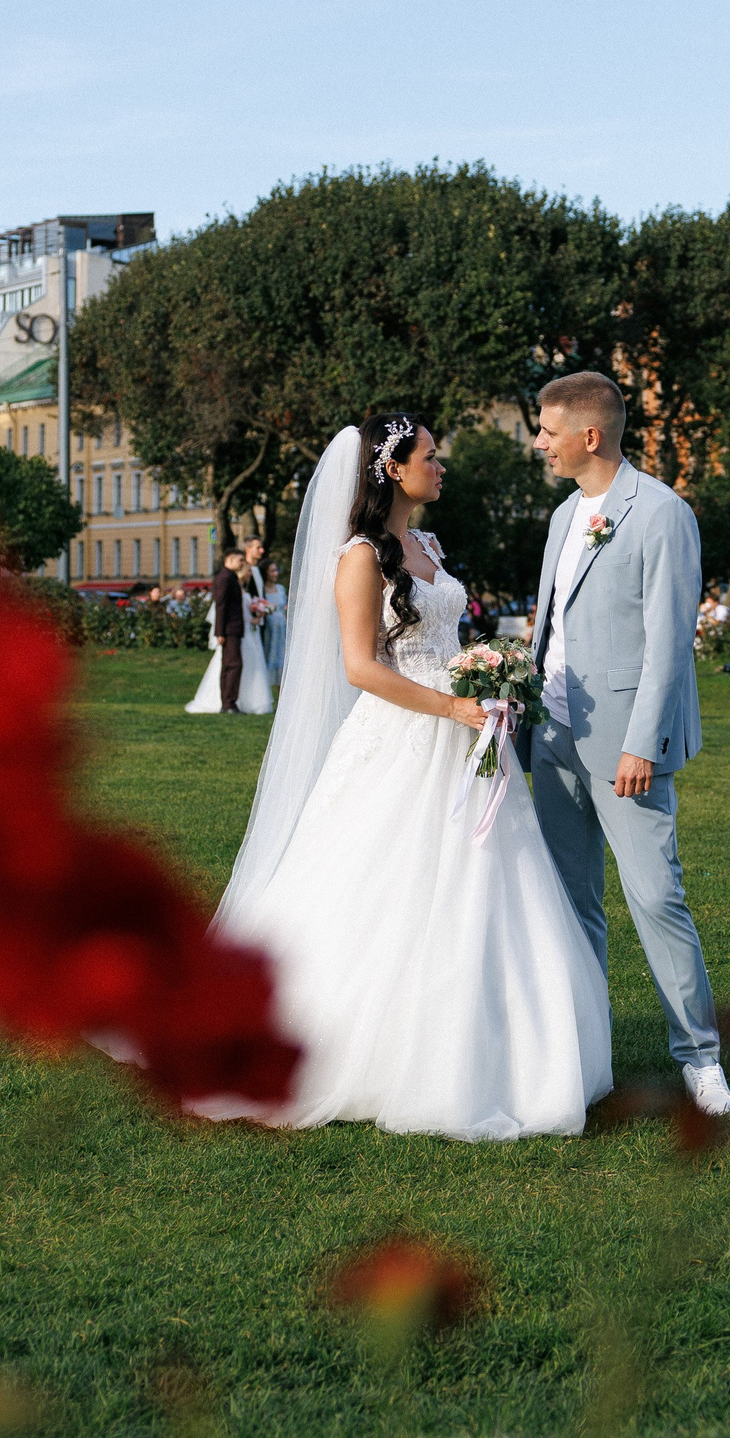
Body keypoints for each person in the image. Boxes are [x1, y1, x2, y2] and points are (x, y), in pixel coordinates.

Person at [202, 415, 610, 1138]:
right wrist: (451, 702)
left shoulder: (428, 544)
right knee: (386, 887)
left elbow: (444, 633)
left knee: (489, 888)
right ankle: (365, 1047)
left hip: (466, 731)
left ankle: (503, 1048)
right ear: (394, 470)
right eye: (430, 456)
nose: (440, 465)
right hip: (403, 735)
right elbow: (362, 667)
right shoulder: (358, 556)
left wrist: (488, 678)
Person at [522, 370, 730, 1117]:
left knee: (656, 897)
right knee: (571, 902)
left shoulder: (662, 512)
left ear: (590, 434)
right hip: (550, 739)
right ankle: (587, 1051)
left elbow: (668, 642)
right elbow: (552, 628)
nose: (538, 442)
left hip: (625, 749)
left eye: (547, 430)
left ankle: (700, 1059)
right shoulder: (560, 518)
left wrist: (643, 743)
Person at [186, 547, 274, 715]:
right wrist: (219, 632)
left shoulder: (230, 577)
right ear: (230, 560)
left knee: (231, 665)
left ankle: (228, 702)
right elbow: (221, 606)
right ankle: (228, 703)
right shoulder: (225, 578)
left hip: (234, 628)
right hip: (229, 629)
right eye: (240, 560)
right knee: (233, 665)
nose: (242, 564)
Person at [260, 560, 289, 680]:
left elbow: (286, 605)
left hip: (282, 627)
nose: (275, 573)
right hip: (269, 629)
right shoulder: (262, 590)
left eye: (276, 570)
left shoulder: (281, 589)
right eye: (272, 571)